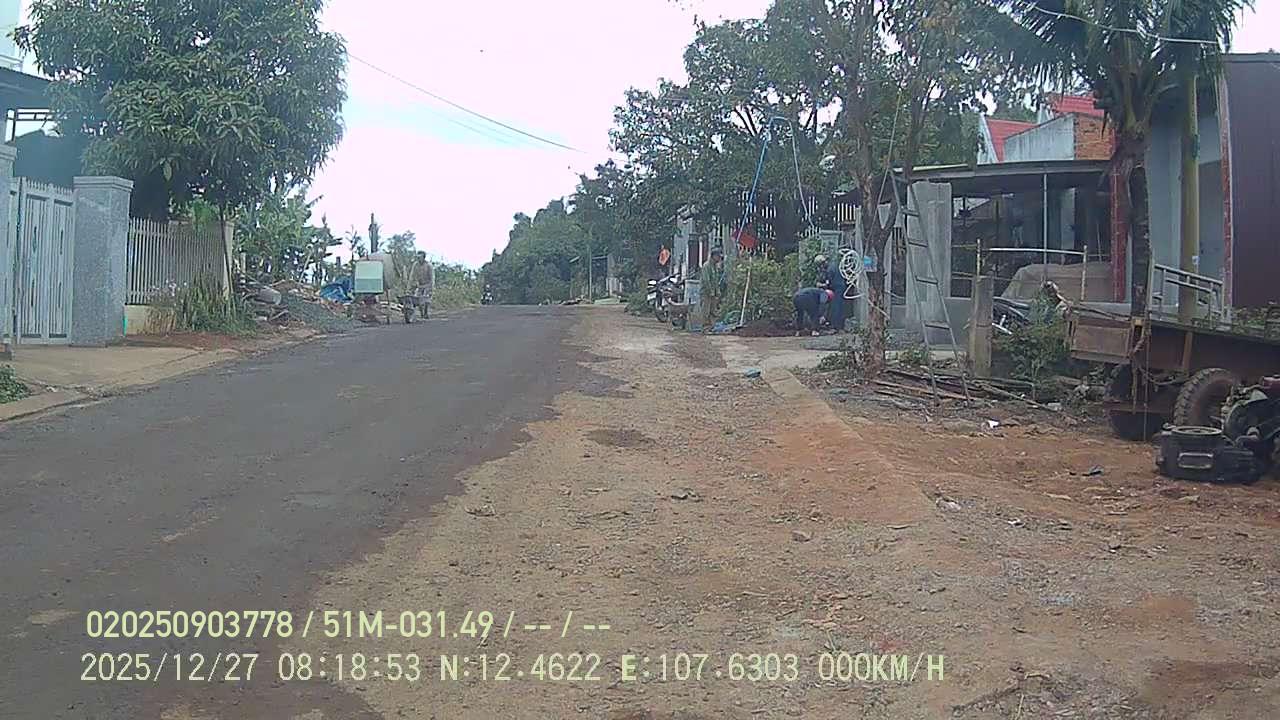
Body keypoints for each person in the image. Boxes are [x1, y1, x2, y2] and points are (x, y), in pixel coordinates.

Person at [815, 254, 848, 333]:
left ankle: (836, 327)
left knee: (836, 308)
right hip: (841, 287)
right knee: (839, 307)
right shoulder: (834, 266)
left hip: (837, 289)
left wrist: (821, 285)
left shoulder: (829, 270)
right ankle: (838, 326)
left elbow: (829, 283)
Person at [701, 246, 727, 327]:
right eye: (718, 256)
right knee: (706, 311)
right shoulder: (706, 266)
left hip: (713, 293)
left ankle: (711, 326)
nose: (719, 259)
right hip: (706, 292)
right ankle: (705, 328)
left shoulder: (715, 267)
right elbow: (706, 280)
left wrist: (717, 291)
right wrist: (711, 291)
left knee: (713, 311)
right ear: (714, 256)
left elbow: (716, 281)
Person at [411, 251, 435, 319]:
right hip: (420, 285)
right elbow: (412, 275)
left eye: (420, 257)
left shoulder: (429, 265)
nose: (418, 259)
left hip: (427, 284)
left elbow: (432, 278)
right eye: (417, 257)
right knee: (417, 299)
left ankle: (426, 312)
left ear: (423, 258)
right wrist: (411, 285)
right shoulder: (415, 265)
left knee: (426, 299)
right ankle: (421, 313)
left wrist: (431, 288)